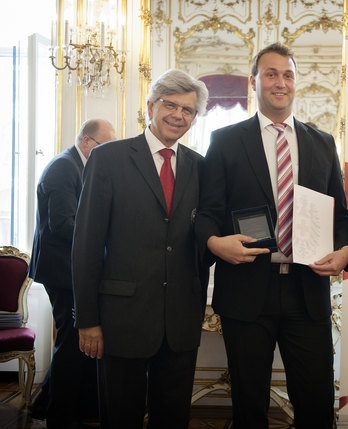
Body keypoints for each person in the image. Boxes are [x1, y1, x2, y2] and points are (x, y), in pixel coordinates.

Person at [195, 42, 348, 429]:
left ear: (296, 82)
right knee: (249, 404)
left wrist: (346, 250)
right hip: (247, 288)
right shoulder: (226, 141)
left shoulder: (322, 142)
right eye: (271, 74)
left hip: (306, 292)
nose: (280, 83)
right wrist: (216, 244)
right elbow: (207, 215)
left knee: (316, 402)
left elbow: (341, 216)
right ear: (255, 82)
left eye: (287, 74)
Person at [72, 69, 210, 429]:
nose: (178, 115)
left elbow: (201, 242)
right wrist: (87, 319)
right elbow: (86, 244)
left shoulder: (200, 167)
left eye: (188, 110)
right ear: (150, 107)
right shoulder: (109, 159)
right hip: (122, 319)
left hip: (180, 321)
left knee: (173, 418)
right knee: (121, 417)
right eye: (170, 105)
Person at [29, 119, 115, 428]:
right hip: (62, 271)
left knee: (74, 342)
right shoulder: (64, 167)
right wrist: (102, 238)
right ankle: (60, 416)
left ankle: (50, 405)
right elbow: (62, 224)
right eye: (105, 147)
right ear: (89, 142)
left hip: (68, 269)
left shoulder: (77, 166)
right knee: (71, 343)